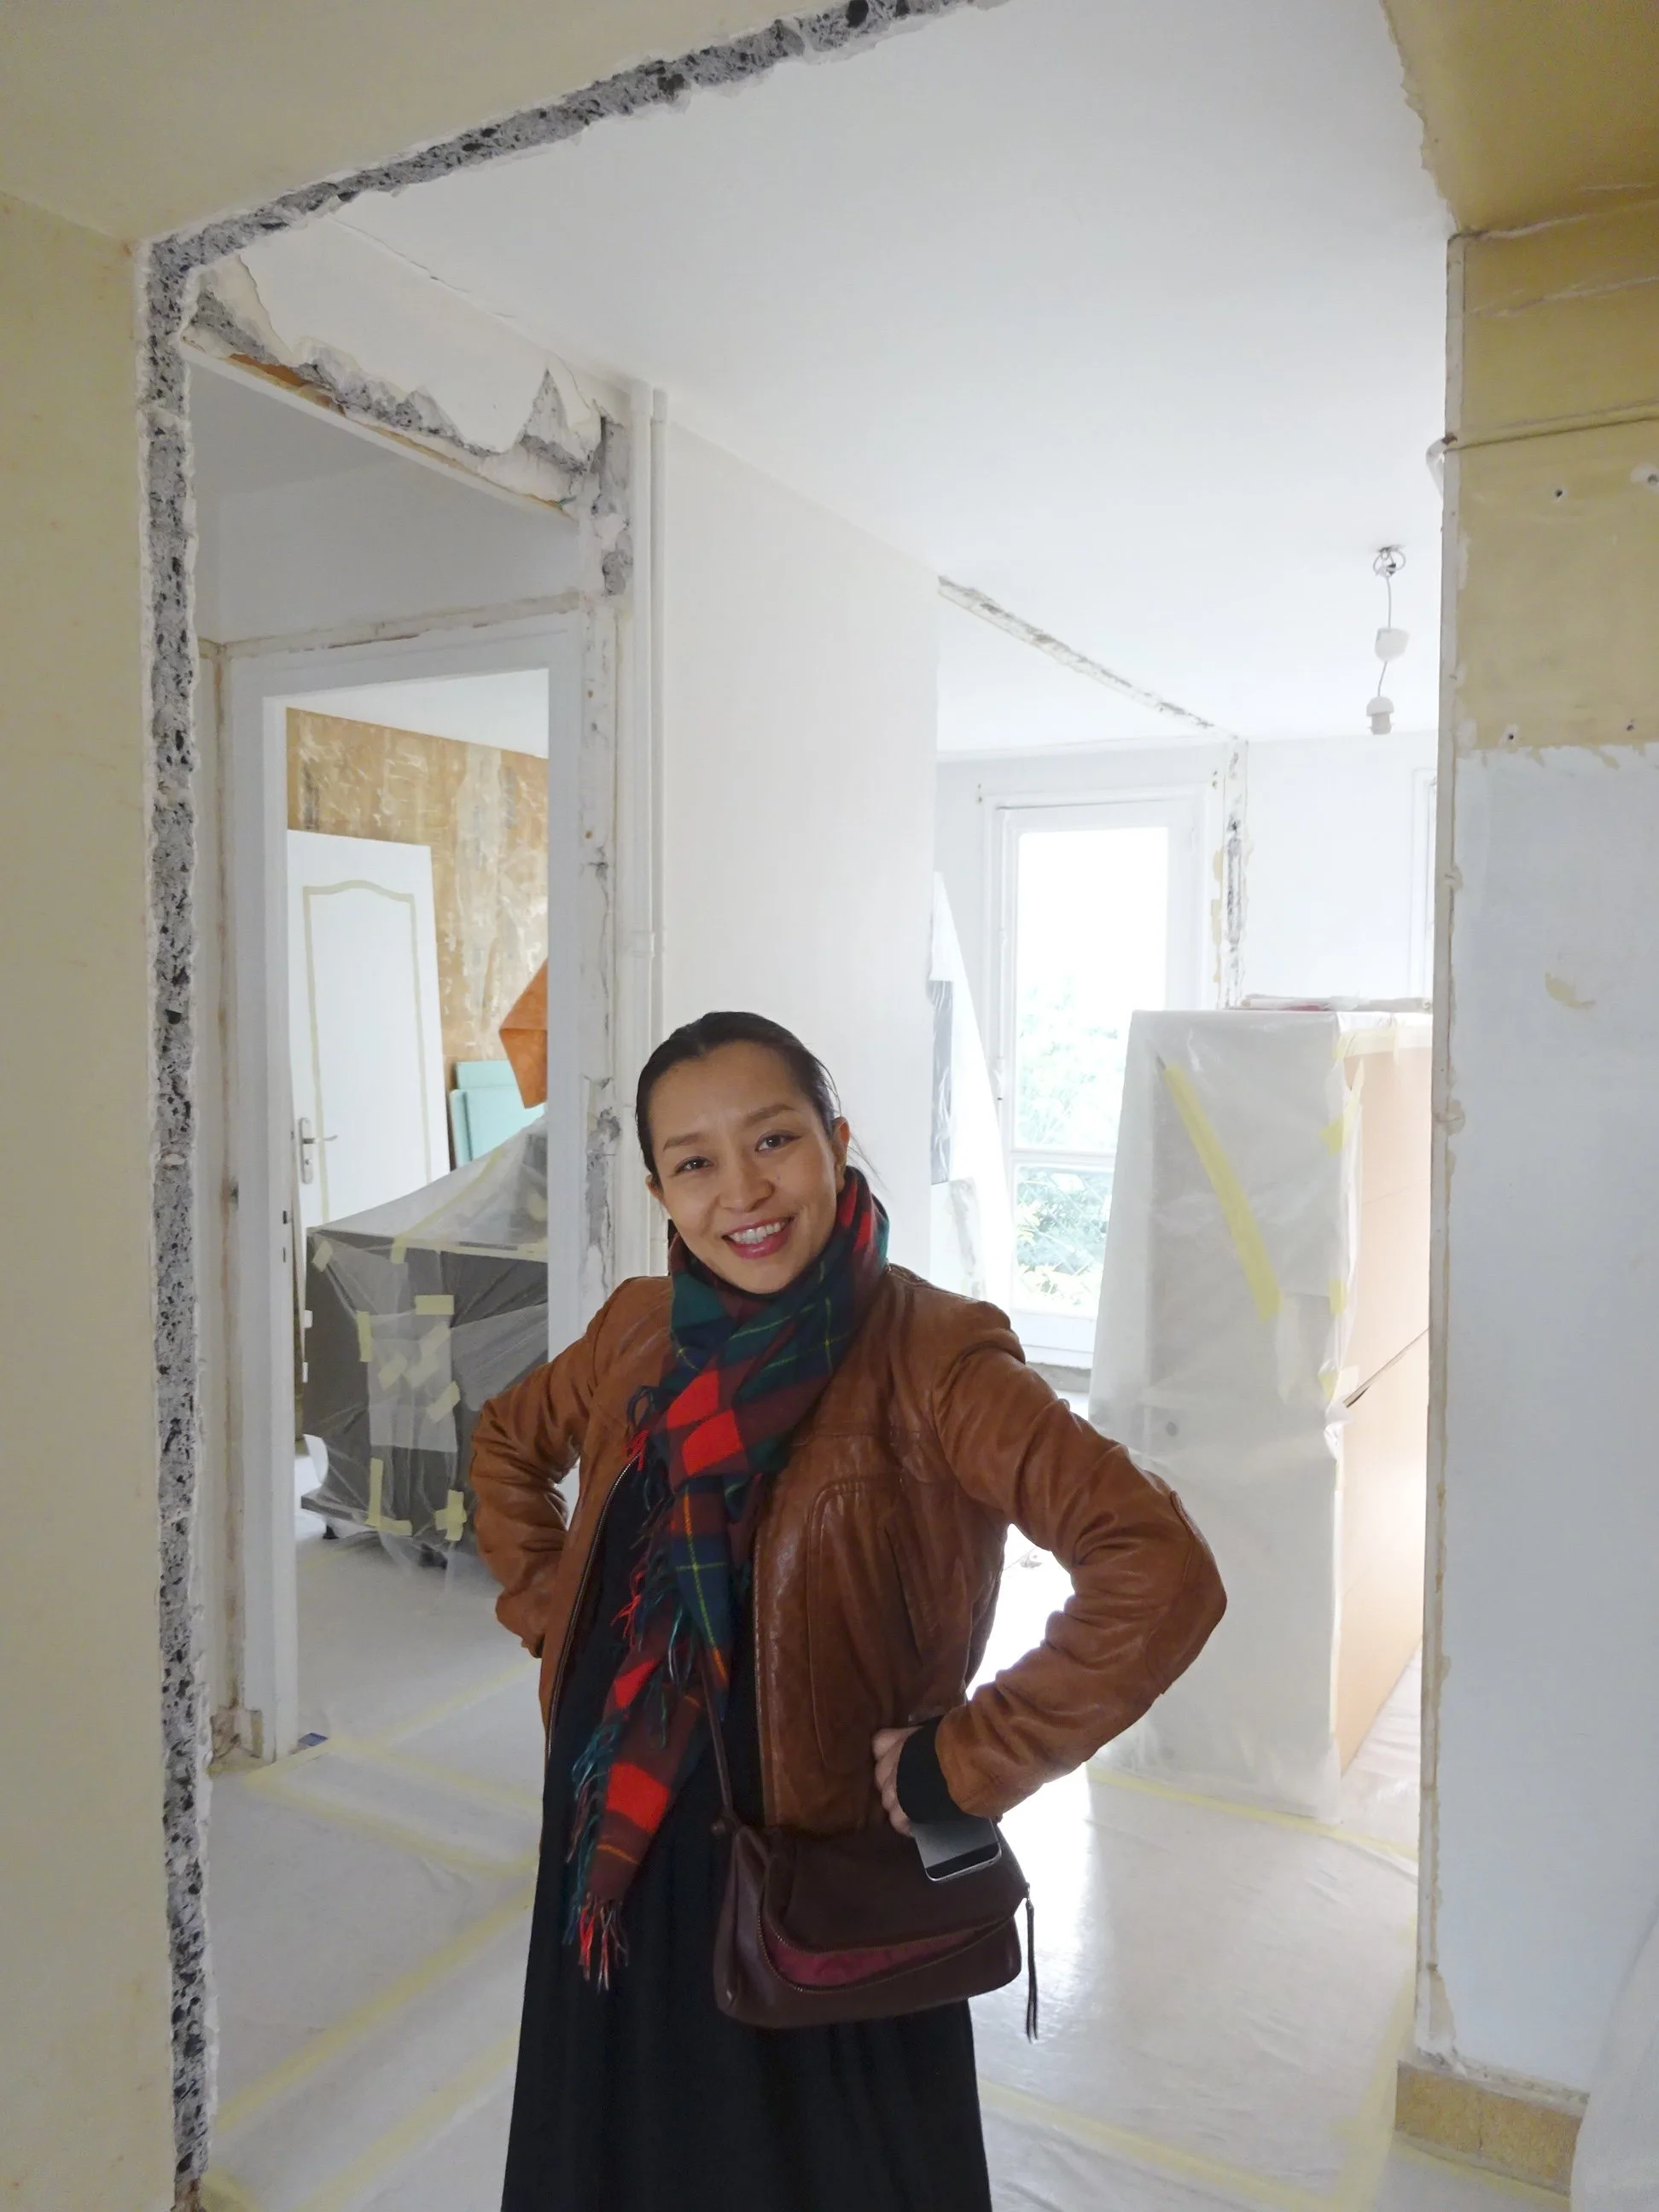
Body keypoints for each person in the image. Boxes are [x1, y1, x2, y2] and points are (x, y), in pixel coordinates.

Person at [471, 1010, 1225, 2212]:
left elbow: (1159, 1565)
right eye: (697, 1162)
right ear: (663, 1193)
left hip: (822, 1879)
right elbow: (507, 1440)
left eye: (774, 1140)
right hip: (621, 1851)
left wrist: (968, 1761)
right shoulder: (639, 1330)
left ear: (837, 1142)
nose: (744, 1194)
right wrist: (553, 1616)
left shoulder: (937, 1360)